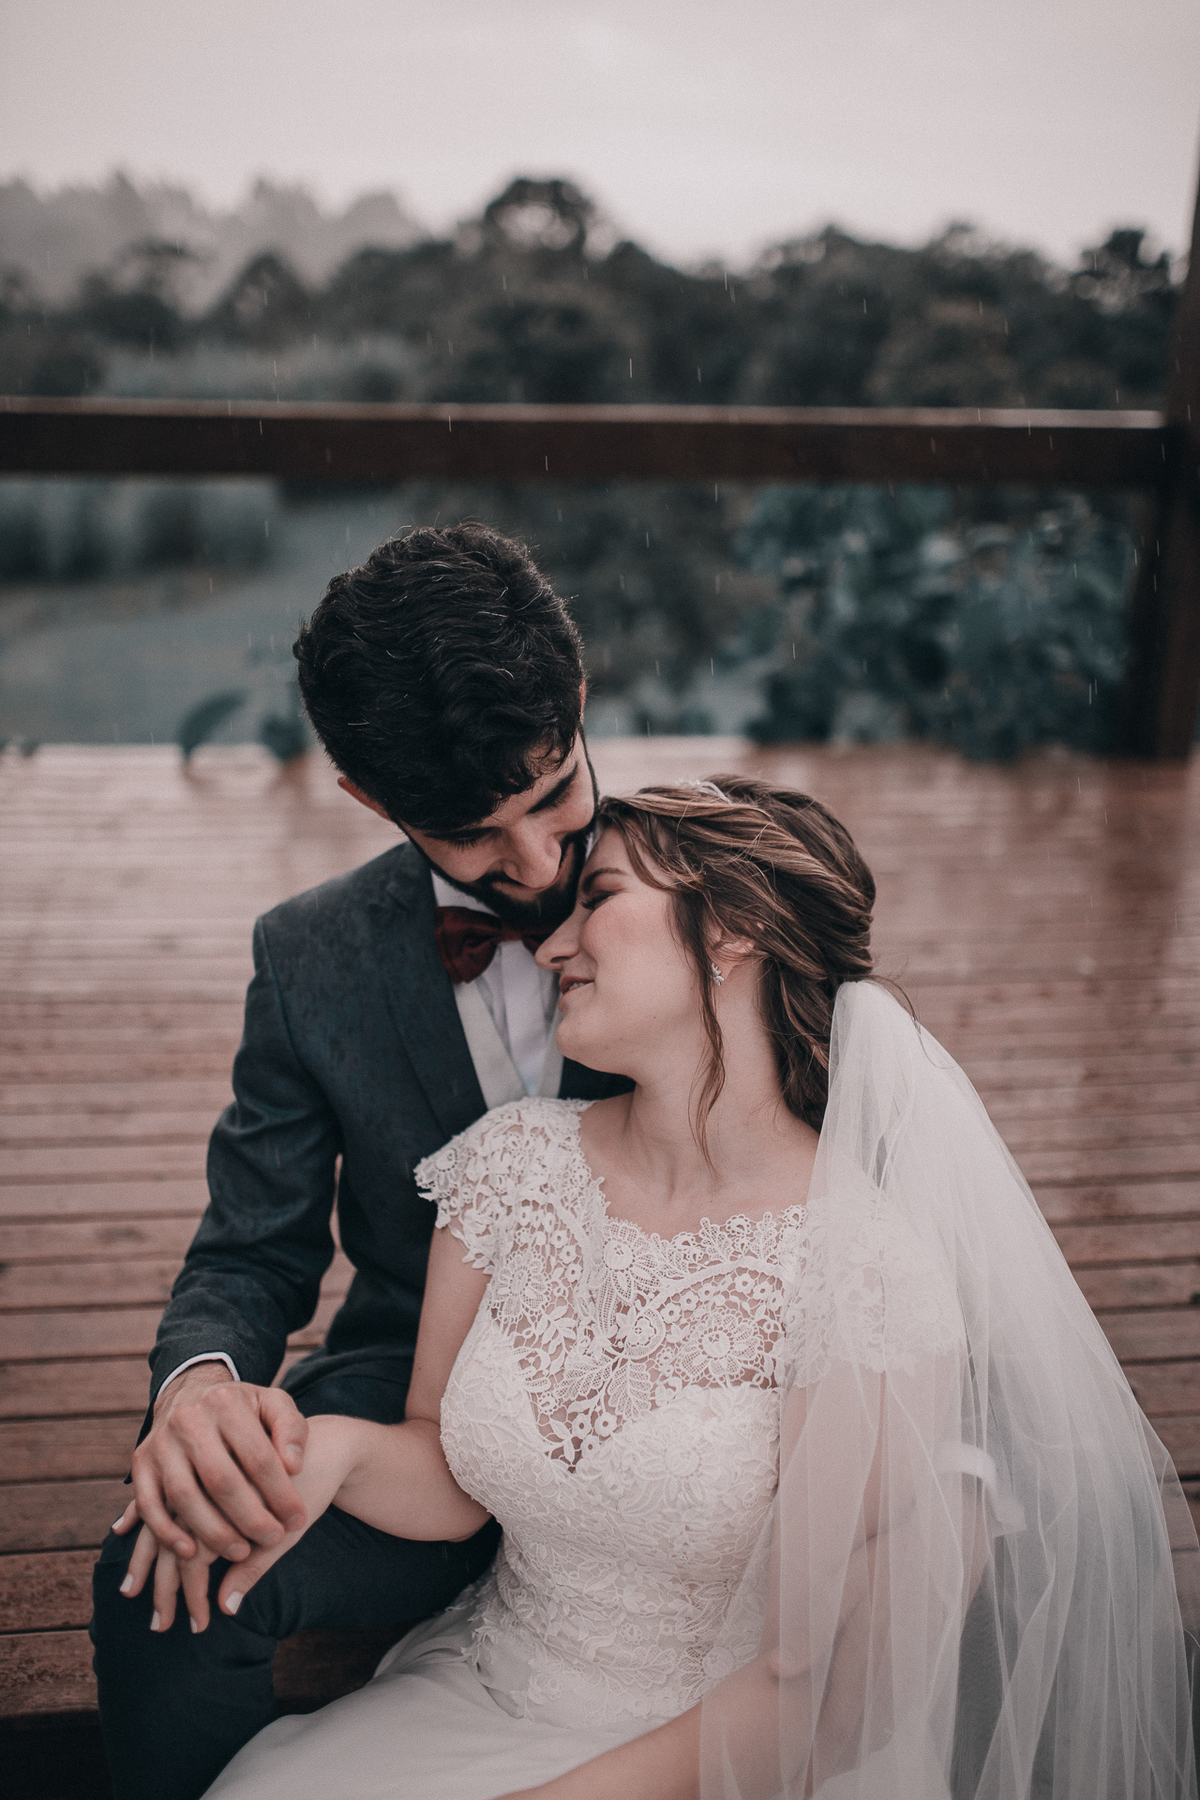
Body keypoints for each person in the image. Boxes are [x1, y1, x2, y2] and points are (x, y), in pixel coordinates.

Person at [115, 777, 1199, 1800]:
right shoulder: (508, 1168)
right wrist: (337, 1446)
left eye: (599, 897)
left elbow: (810, 1687)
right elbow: (451, 1473)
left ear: (731, 930)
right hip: (479, 1690)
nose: (552, 942)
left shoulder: (860, 1264)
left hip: (697, 1765)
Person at [90, 524, 633, 1800]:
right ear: (371, 803)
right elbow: (252, 1247)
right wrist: (200, 1392)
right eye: (475, 835)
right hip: (410, 1424)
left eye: (554, 795)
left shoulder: (710, 889)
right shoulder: (310, 957)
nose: (542, 869)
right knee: (160, 1578)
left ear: (582, 702)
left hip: (692, 1427)